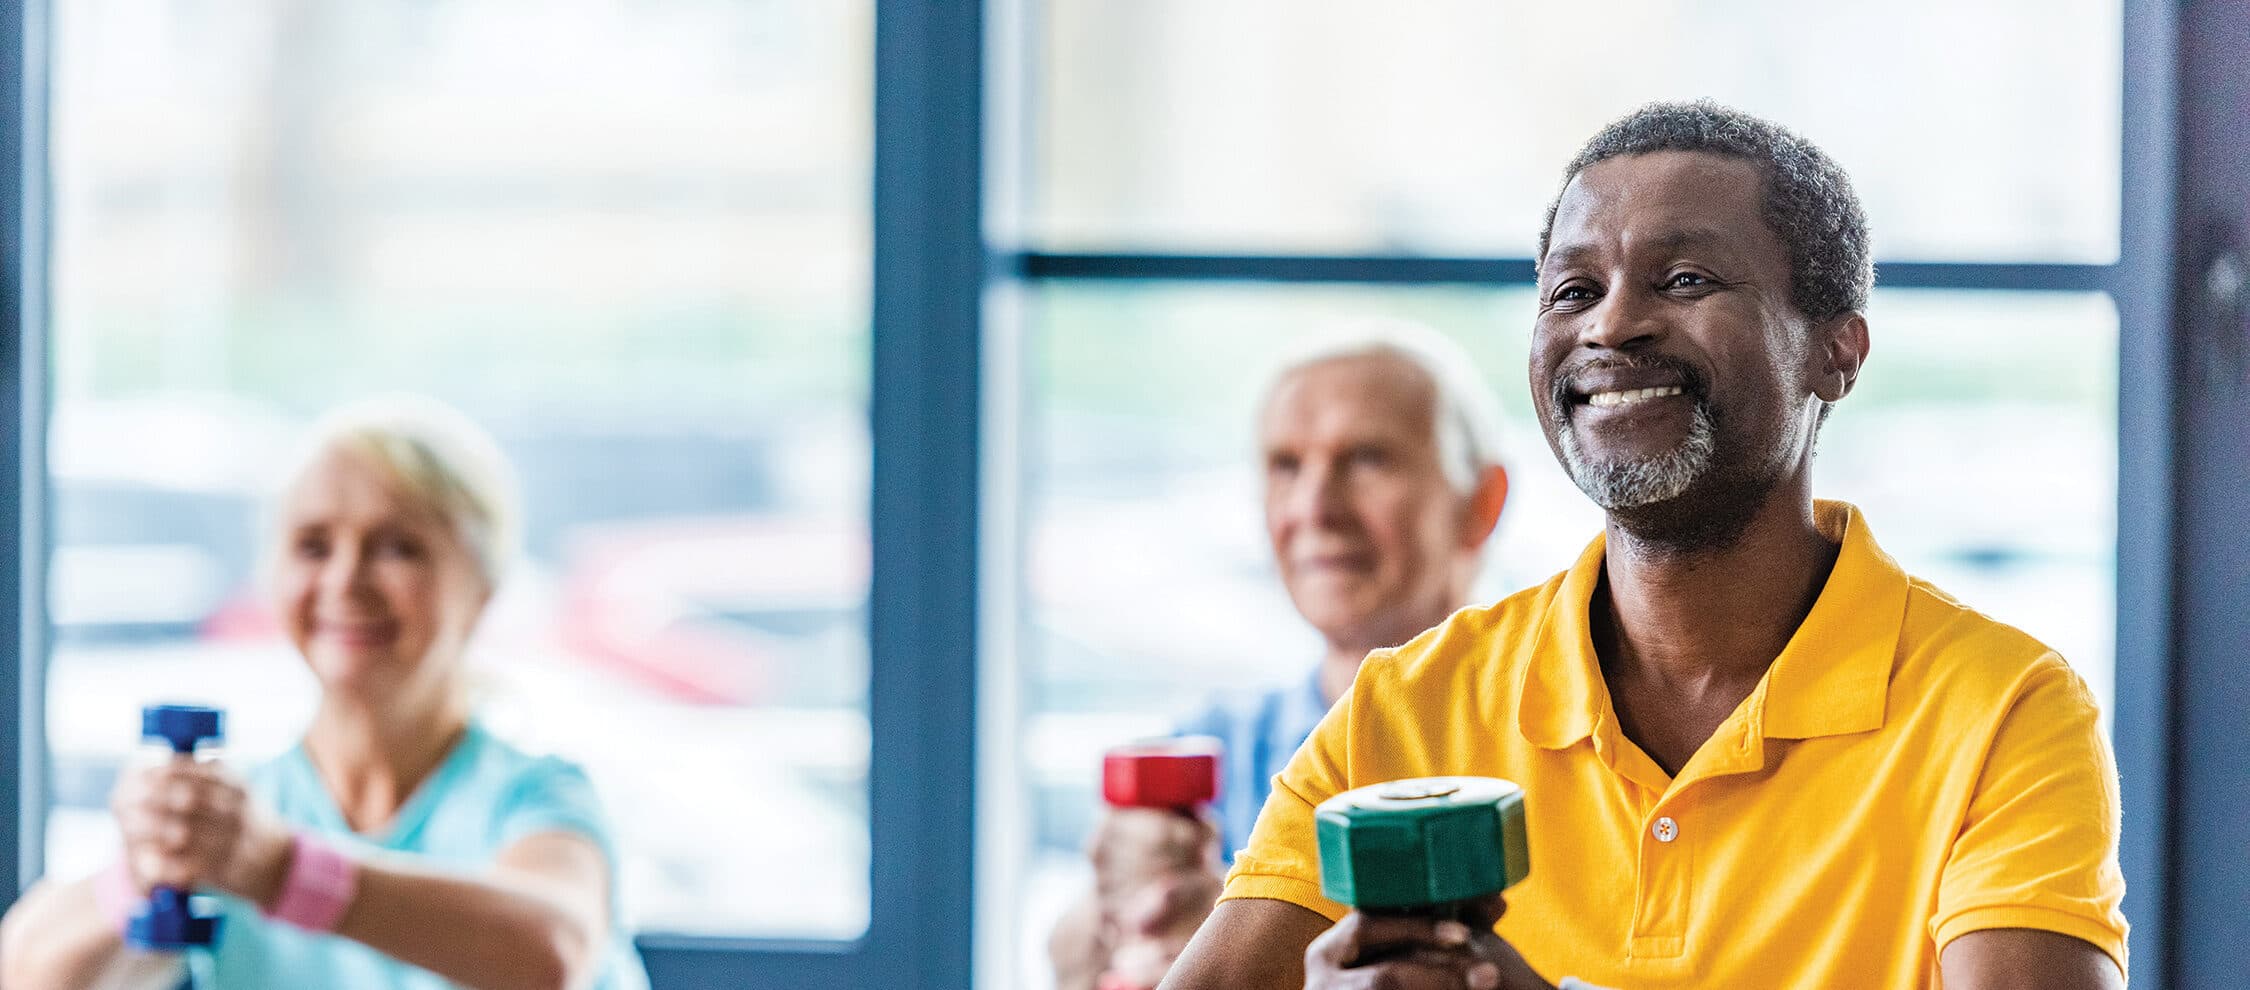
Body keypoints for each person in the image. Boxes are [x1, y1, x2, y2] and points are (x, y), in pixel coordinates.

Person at [1159, 101, 2129, 990]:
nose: (1614, 323)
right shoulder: (1410, 707)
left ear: (1837, 350)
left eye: (1686, 279)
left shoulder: (2003, 713)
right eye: (1572, 290)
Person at [0, 396, 652, 990]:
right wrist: (143, 870)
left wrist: (285, 871)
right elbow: (24, 971)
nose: (346, 580)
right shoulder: (234, 819)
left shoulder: (534, 798)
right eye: (313, 546)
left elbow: (552, 954)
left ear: (483, 584)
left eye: (398, 548)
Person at [1051, 322, 1513, 990]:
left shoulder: (1554, 737)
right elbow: (1072, 956)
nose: (1314, 507)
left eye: (1367, 459)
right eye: (1285, 466)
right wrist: (1119, 914)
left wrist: (1243, 950)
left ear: (1482, 502)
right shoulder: (1217, 745)